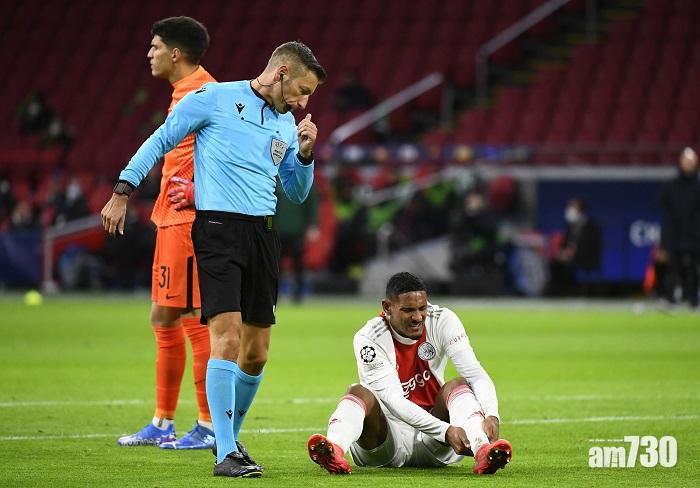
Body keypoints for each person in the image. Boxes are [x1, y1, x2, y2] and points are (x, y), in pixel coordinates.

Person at [101, 41, 326, 478]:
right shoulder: (216, 99)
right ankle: (224, 452)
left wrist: (304, 155)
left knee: (256, 353)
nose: (303, 103)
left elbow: (296, 192)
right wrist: (122, 190)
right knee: (227, 337)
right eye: (302, 90)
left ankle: (229, 440)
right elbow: (160, 140)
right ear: (281, 73)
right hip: (218, 231)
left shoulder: (284, 124)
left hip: (263, 235)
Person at [109, 16, 217, 450]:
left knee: (195, 318)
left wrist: (199, 193)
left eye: (154, 47)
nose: (149, 54)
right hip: (170, 219)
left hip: (188, 223)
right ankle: (163, 421)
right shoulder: (185, 93)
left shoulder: (202, 94)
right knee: (164, 316)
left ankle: (208, 425)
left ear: (175, 53)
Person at [307, 272, 512, 476]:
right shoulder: (369, 338)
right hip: (385, 442)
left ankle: (482, 450)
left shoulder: (442, 320)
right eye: (408, 310)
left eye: (422, 308)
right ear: (387, 307)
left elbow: (475, 374)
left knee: (458, 384)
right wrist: (446, 431)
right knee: (357, 392)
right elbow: (395, 401)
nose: (418, 317)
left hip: (435, 441)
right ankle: (334, 450)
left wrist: (492, 414)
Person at [658, 147, 700, 309]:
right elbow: (664, 211)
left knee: (694, 268)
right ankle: (671, 298)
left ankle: (693, 299)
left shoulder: (698, 186)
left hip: (695, 235)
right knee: (673, 268)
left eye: (691, 161)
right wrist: (665, 240)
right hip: (675, 235)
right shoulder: (672, 186)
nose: (688, 164)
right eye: (686, 161)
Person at [275, 178, 319, 302]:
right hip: (277, 231)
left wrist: (313, 225)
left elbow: (312, 204)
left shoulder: (303, 179)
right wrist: (268, 227)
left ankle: (298, 294)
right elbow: (269, 207)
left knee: (298, 264)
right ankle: (274, 294)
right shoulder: (275, 181)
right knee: (275, 264)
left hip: (297, 231)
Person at [547, 197, 602, 296]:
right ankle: (558, 292)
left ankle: (573, 292)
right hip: (570, 257)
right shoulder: (570, 225)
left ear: (581, 210)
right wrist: (561, 252)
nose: (569, 210)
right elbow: (566, 242)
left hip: (586, 257)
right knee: (554, 263)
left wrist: (573, 253)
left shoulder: (592, 226)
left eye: (572, 207)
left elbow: (591, 246)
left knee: (569, 266)